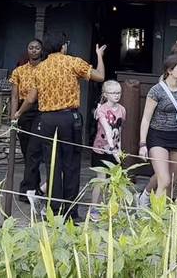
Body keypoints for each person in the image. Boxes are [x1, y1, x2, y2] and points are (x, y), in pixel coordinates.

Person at [15, 31, 105, 220]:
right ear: (63, 46)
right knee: (71, 165)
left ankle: (54, 211)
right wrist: (99, 57)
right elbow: (100, 76)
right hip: (68, 118)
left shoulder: (40, 68)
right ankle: (71, 212)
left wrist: (19, 112)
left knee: (52, 165)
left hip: (46, 120)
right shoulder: (73, 62)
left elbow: (31, 97)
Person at [138, 52, 177, 201]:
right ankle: (155, 212)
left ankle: (164, 213)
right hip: (158, 136)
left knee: (173, 180)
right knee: (164, 179)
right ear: (170, 70)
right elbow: (146, 119)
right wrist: (142, 143)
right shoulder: (156, 90)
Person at [9, 38, 45, 198]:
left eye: (37, 48)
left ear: (41, 50)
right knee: (27, 152)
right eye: (31, 47)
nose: (34, 50)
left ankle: (27, 189)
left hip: (41, 110)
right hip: (23, 112)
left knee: (34, 151)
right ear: (27, 50)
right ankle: (33, 187)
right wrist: (13, 117)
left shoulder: (46, 69)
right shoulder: (19, 71)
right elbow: (15, 97)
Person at [87, 80, 125, 222]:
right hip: (101, 149)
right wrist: (112, 147)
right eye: (113, 93)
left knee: (114, 180)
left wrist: (119, 148)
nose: (117, 95)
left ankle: (110, 208)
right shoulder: (101, 109)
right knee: (101, 180)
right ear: (105, 94)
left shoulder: (122, 109)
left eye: (119, 92)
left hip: (114, 150)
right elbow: (107, 129)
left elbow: (119, 130)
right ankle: (94, 207)